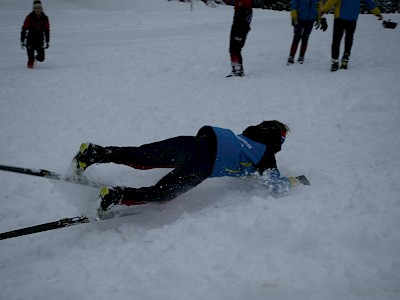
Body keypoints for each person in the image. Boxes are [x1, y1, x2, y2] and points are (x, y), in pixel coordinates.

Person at [72, 121, 293, 211]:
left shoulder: (245, 138)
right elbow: (276, 186)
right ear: (277, 142)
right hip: (204, 163)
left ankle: (93, 153)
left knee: (142, 158)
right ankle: (114, 196)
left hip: (195, 142)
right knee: (162, 194)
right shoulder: (266, 156)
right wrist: (292, 182)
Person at [319, 0, 382, 71]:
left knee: (336, 40)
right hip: (352, 18)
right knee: (349, 39)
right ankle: (345, 60)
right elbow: (369, 2)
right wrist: (377, 13)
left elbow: (332, 1)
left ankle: (335, 61)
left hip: (340, 18)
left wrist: (323, 10)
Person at [287, 0, 327, 65]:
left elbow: (320, 7)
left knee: (305, 38)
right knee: (296, 38)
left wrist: (320, 19)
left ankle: (301, 57)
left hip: (311, 20)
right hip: (299, 19)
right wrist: (294, 18)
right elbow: (294, 6)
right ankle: (291, 57)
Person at [225, 0, 253, 77]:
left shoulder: (246, 2)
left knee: (235, 48)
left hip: (241, 28)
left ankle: (238, 71)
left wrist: (243, 29)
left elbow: (246, 15)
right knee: (232, 49)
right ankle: (236, 69)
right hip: (236, 26)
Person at [20, 1, 50, 68]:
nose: (38, 9)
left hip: (40, 40)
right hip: (30, 40)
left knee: (41, 58)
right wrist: (22, 40)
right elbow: (24, 29)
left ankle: (34, 58)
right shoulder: (29, 17)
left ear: (41, 8)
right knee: (30, 64)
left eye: (39, 8)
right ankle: (29, 73)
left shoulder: (45, 18)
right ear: (34, 9)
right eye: (36, 8)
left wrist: (47, 41)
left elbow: (47, 30)